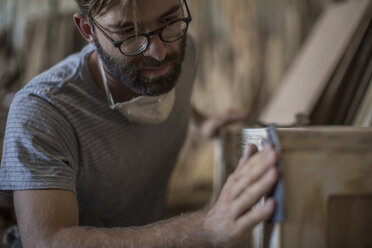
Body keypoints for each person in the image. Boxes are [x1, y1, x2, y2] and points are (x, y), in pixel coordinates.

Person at [0, 0, 279, 247]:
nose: (158, 52)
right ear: (87, 29)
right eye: (129, 33)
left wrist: (201, 122)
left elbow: (172, 86)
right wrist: (204, 228)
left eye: (169, 21)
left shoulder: (181, 53)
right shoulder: (43, 111)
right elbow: (47, 241)